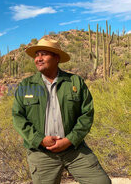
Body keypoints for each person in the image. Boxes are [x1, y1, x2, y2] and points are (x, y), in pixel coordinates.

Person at [12, 38, 111, 184]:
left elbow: (86, 114)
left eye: (44, 54)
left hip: (74, 150)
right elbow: (18, 117)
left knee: (101, 182)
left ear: (56, 58)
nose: (38, 58)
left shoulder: (75, 82)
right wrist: (40, 140)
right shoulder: (27, 85)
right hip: (41, 153)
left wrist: (69, 140)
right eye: (37, 55)